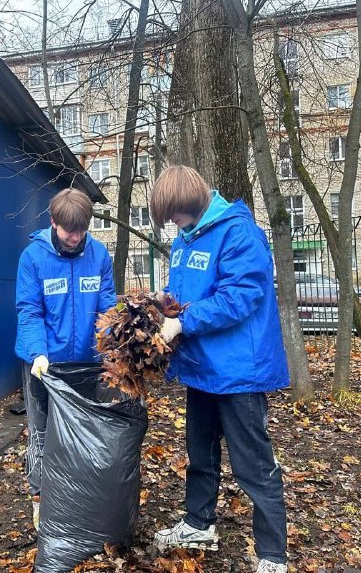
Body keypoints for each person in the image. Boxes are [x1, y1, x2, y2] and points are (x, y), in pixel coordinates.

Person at [149, 165, 289, 573]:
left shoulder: (238, 233)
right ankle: (198, 523)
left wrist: (183, 322)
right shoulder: (185, 239)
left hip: (238, 370)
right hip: (202, 368)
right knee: (200, 453)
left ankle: (272, 555)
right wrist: (165, 303)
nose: (171, 223)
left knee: (253, 463)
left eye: (173, 214)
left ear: (191, 202)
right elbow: (190, 294)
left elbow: (239, 297)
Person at [15, 188, 116, 531]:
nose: (75, 238)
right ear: (53, 222)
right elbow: (29, 311)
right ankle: (40, 502)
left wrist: (113, 348)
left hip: (88, 364)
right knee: (43, 436)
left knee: (84, 433)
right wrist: (38, 354)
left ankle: (78, 498)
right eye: (68, 231)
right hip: (45, 365)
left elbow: (107, 308)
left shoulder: (99, 255)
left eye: (81, 231)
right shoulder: (32, 258)